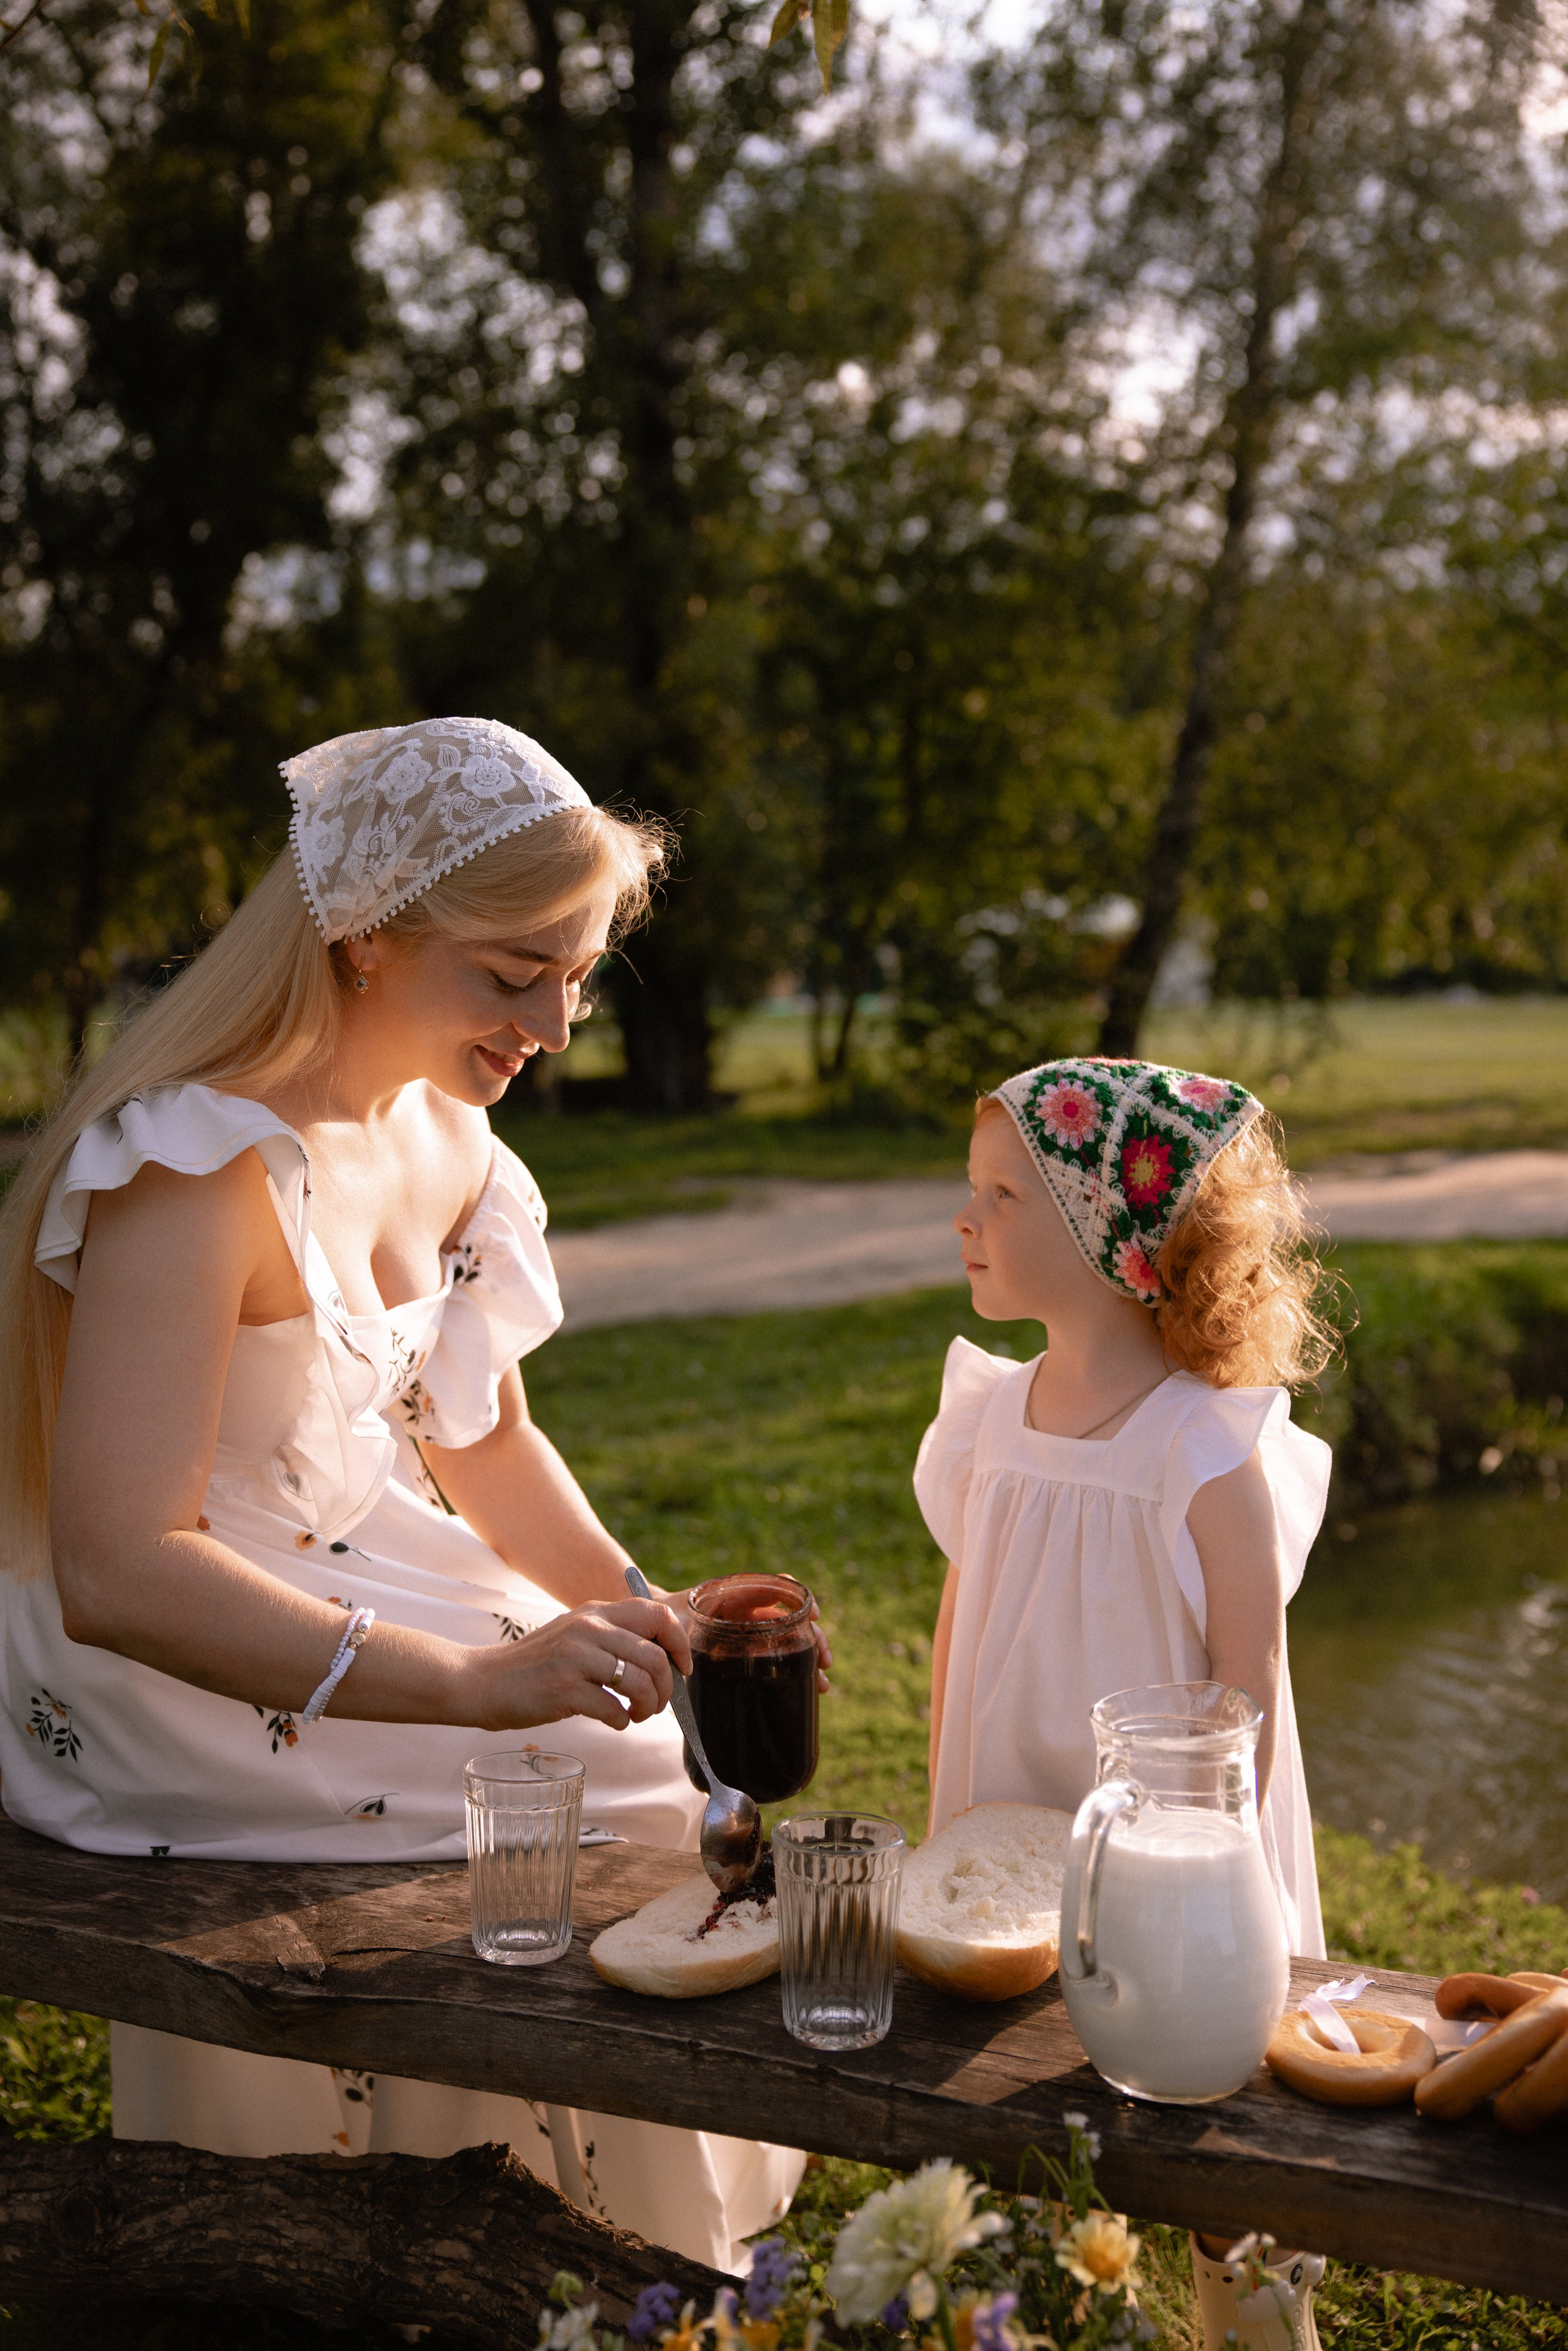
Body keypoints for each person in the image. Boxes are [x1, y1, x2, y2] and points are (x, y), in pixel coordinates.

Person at [0, 717, 807, 2271]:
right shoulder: (194, 1163)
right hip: (172, 1646)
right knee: (563, 1790)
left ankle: (597, 2259)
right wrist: (475, 1680)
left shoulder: (453, 1137)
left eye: (577, 973)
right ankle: (398, 2245)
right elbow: (114, 1564)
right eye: (516, 974)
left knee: (646, 1763)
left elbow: (485, 1434)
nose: (559, 1024)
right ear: (367, 936)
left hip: (342, 1565)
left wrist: (649, 1609)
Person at [914, 1057, 1335, 2351]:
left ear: (1113, 1232)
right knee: (1016, 2115)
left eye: (1001, 1192)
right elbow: (958, 1611)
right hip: (1009, 1817)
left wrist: (1188, 1866)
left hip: (1172, 1850)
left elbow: (1239, 1691)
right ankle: (1044, 2310)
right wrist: (943, 1807)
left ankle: (1250, 2317)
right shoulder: (989, 1412)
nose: (963, 1216)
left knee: (1212, 2132)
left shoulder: (1202, 1448)